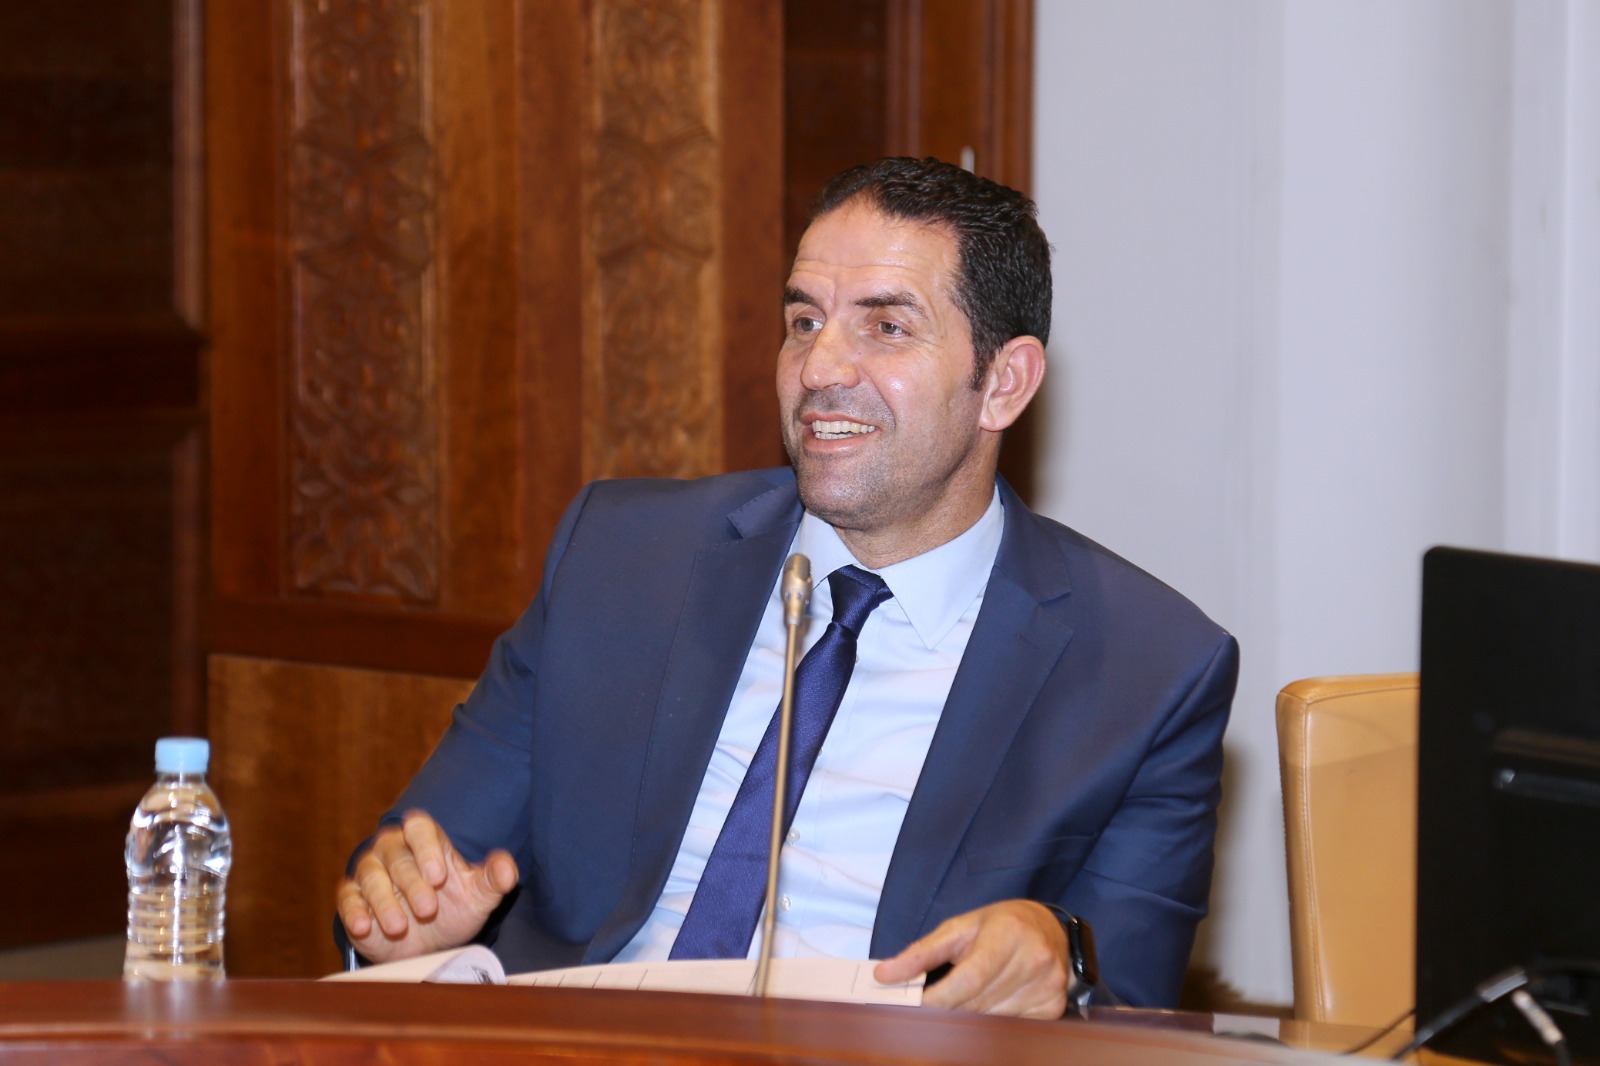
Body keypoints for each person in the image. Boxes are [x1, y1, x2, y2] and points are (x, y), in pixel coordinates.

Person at [336, 157, 1238, 1018]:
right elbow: (415, 868)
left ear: (1003, 383)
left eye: (887, 327)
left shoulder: (1147, 671)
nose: (819, 369)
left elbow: (1127, 1000)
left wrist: (1058, 962)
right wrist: (408, 926)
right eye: (805, 321)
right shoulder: (620, 557)